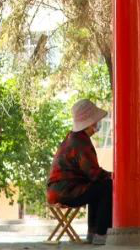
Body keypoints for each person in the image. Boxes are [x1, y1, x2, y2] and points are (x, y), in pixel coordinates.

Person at [47, 99, 113, 245]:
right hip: (66, 192)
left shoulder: (73, 137)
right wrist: (113, 175)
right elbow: (93, 173)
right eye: (96, 120)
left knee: (97, 188)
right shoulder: (81, 142)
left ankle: (93, 233)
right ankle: (101, 233)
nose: (98, 123)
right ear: (90, 123)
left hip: (58, 190)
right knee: (107, 186)